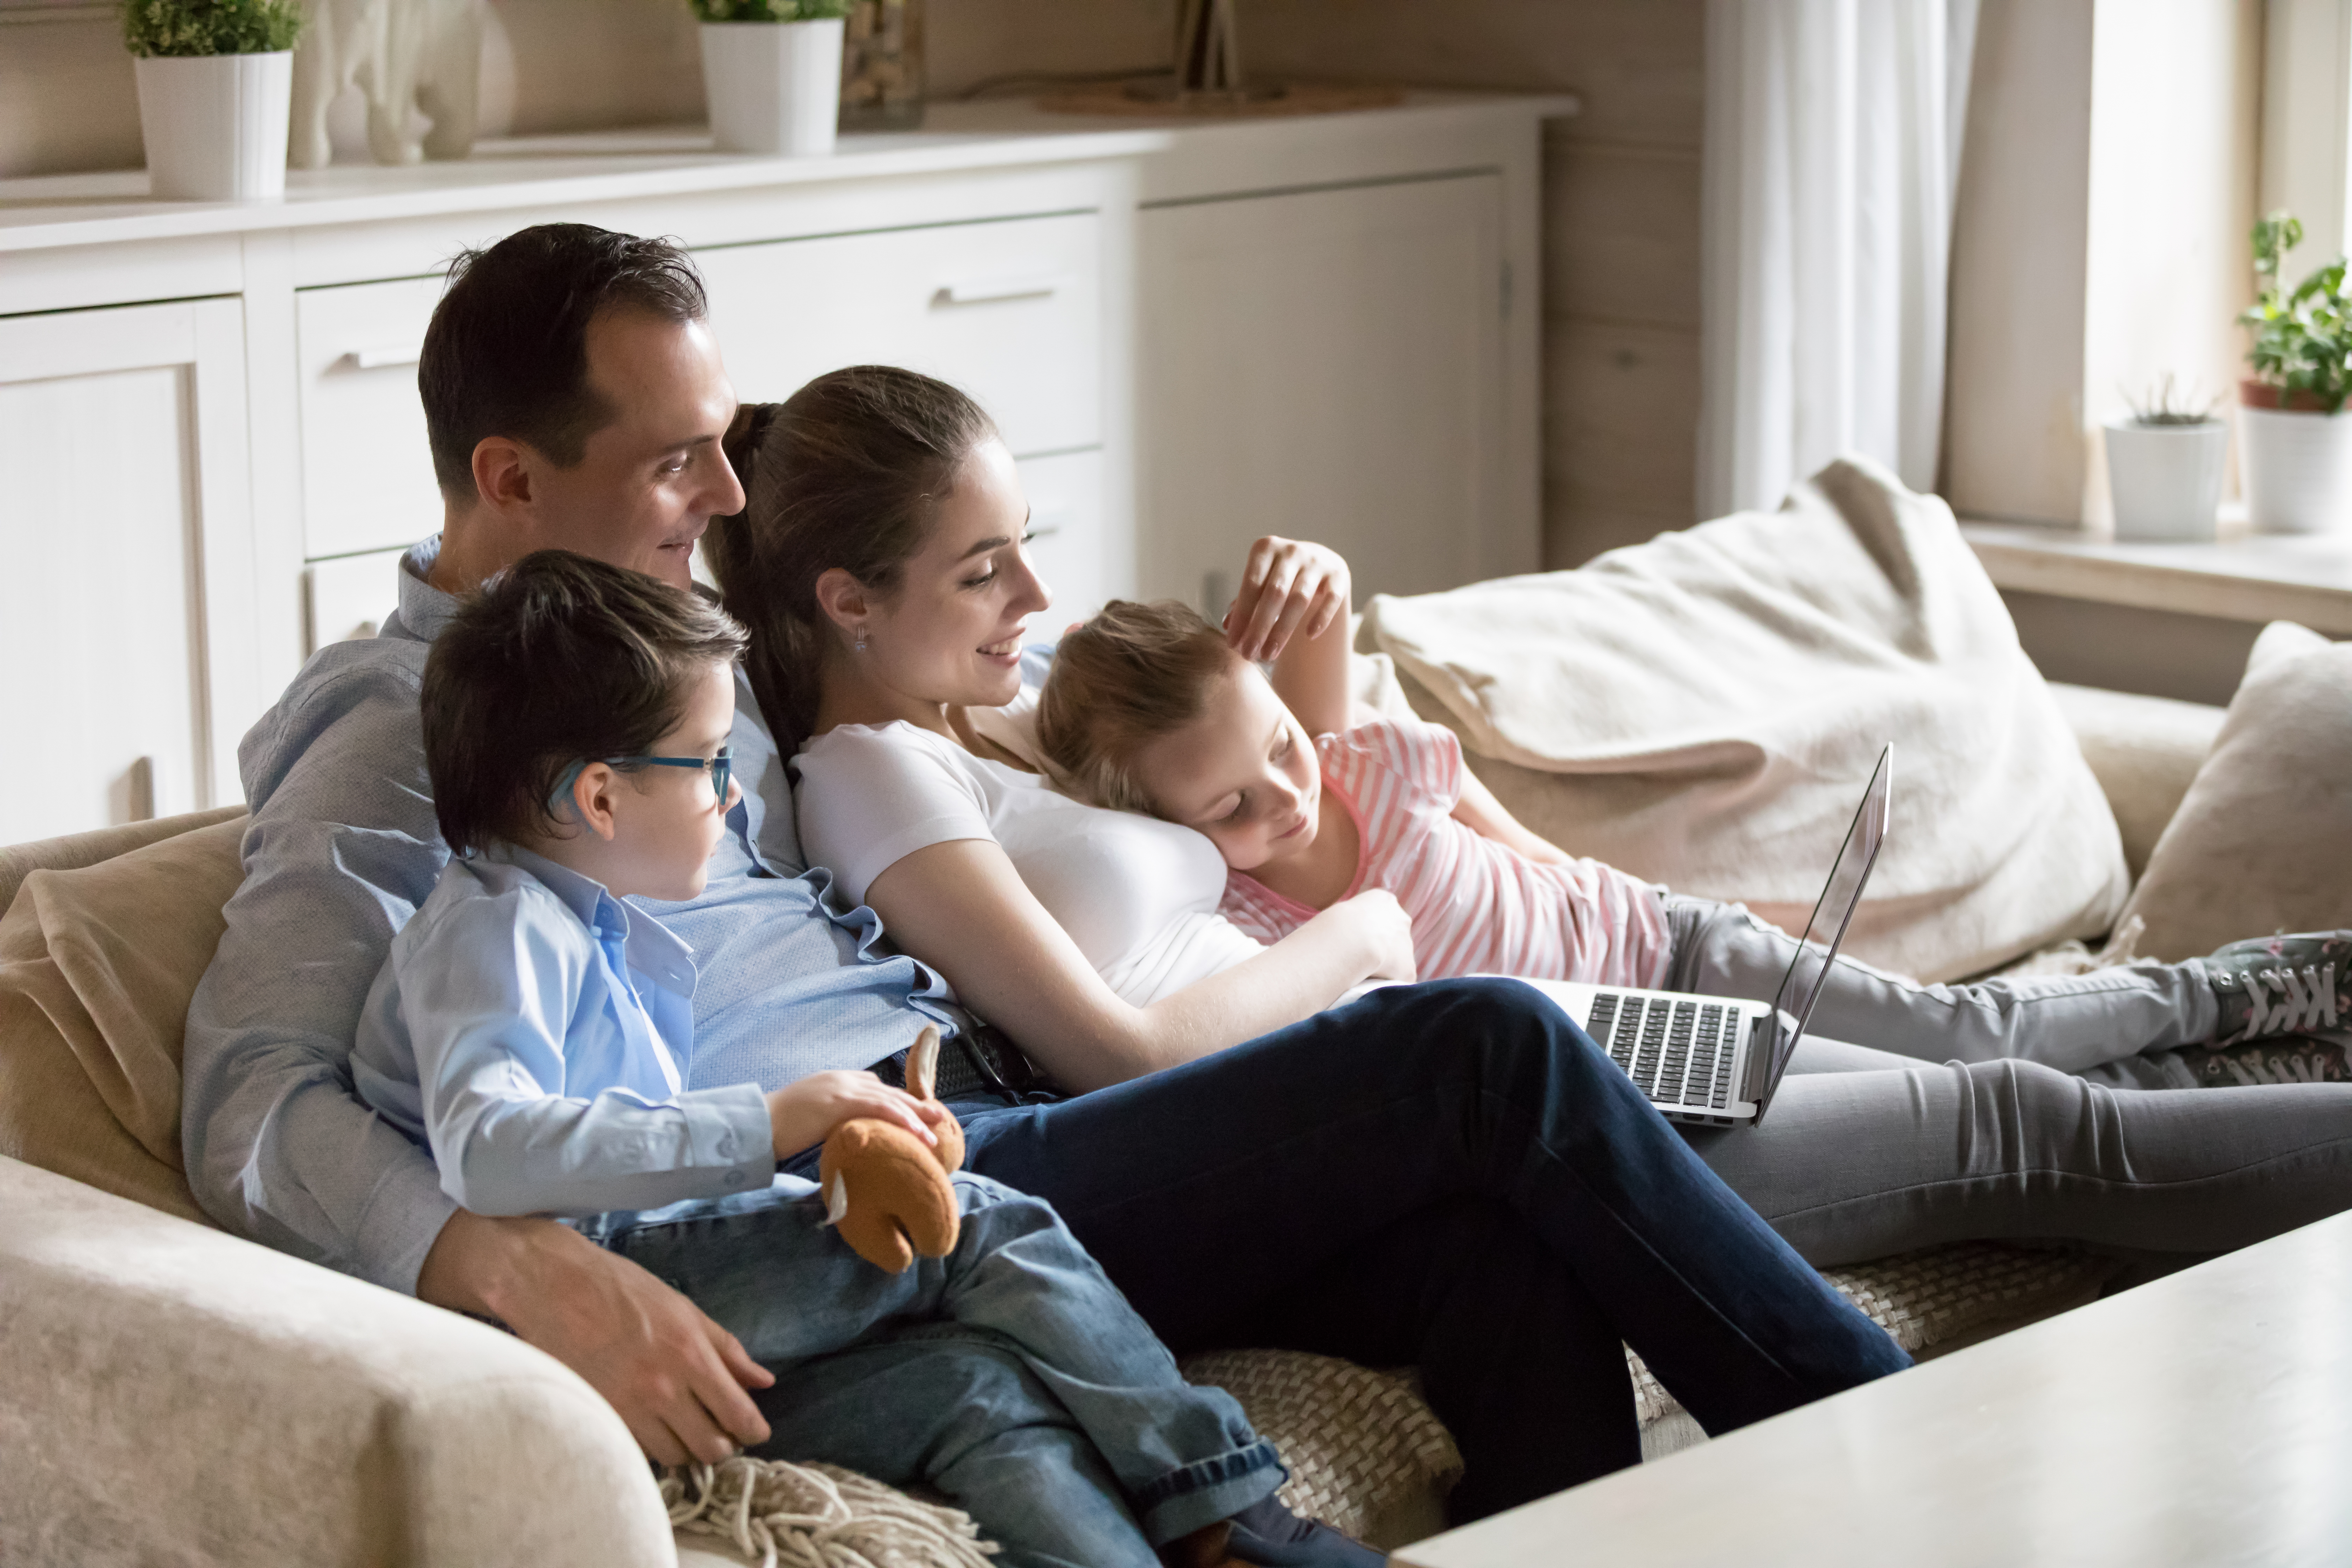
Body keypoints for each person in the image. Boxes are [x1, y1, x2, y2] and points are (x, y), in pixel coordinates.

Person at [182, 225, 1909, 1532]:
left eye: (723, 442)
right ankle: (1909, 1462)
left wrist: (1272, 680)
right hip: (884, 1191)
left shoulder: (687, 638)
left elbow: (989, 626)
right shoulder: (393, 734)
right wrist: (498, 1258)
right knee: (1484, 1052)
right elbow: (249, 1096)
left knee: (1494, 1260)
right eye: (675, 461)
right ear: (508, 481)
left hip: (1003, 1119)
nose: (730, 492)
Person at [743, 365, 2352, 1296]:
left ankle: (2274, 1050)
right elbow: (1128, 1048)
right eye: (984, 571)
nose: (1034, 594)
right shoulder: (870, 775)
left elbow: (1300, 761)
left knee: (1997, 1073)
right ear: (846, 599)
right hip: (1468, 1101)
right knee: (2022, 1129)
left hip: (1545, 1030)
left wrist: (1308, 636)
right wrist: (1367, 933)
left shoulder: (988, 726)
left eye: (1027, 549)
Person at [348, 547, 1303, 1568]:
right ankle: (1223, 1503)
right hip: (587, 1316)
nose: (731, 799)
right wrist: (777, 1122)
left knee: (976, 1388)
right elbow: (489, 1148)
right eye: (710, 764)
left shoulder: (601, 932)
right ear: (601, 801)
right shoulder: (498, 928)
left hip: (673, 1331)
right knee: (983, 1223)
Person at [1031, 560, 2349, 1075]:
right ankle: (2211, 1058)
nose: (1285, 789)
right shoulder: (1245, 922)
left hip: (1673, 947)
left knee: (1968, 1029)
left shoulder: (1371, 759)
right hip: (1635, 1060)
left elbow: (1534, 856)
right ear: (1170, 829)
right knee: (1961, 1077)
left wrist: (1668, 914)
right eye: (1236, 806)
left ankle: (2240, 993)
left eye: (1275, 743)